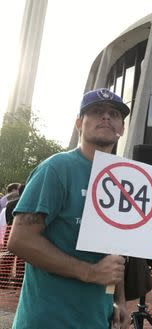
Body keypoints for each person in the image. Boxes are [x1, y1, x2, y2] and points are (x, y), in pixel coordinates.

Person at [7, 88, 130, 329]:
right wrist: (90, 272)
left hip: (96, 320)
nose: (106, 117)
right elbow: (19, 239)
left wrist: (119, 301)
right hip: (47, 321)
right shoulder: (56, 169)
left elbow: (114, 255)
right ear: (79, 124)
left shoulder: (123, 178)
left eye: (114, 113)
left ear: (122, 129)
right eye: (96, 111)